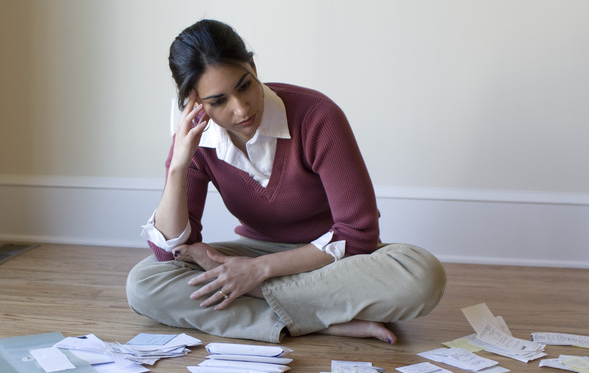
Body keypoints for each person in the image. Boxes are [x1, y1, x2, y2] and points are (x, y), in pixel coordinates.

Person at [126, 19, 445, 344]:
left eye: (244, 85)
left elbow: (358, 236)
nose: (241, 108)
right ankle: (321, 321)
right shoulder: (196, 140)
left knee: (419, 275)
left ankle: (270, 306)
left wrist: (258, 272)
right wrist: (179, 165)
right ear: (195, 103)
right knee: (145, 283)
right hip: (254, 252)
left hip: (331, 259)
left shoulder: (317, 116)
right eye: (219, 101)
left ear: (252, 66)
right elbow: (171, 251)